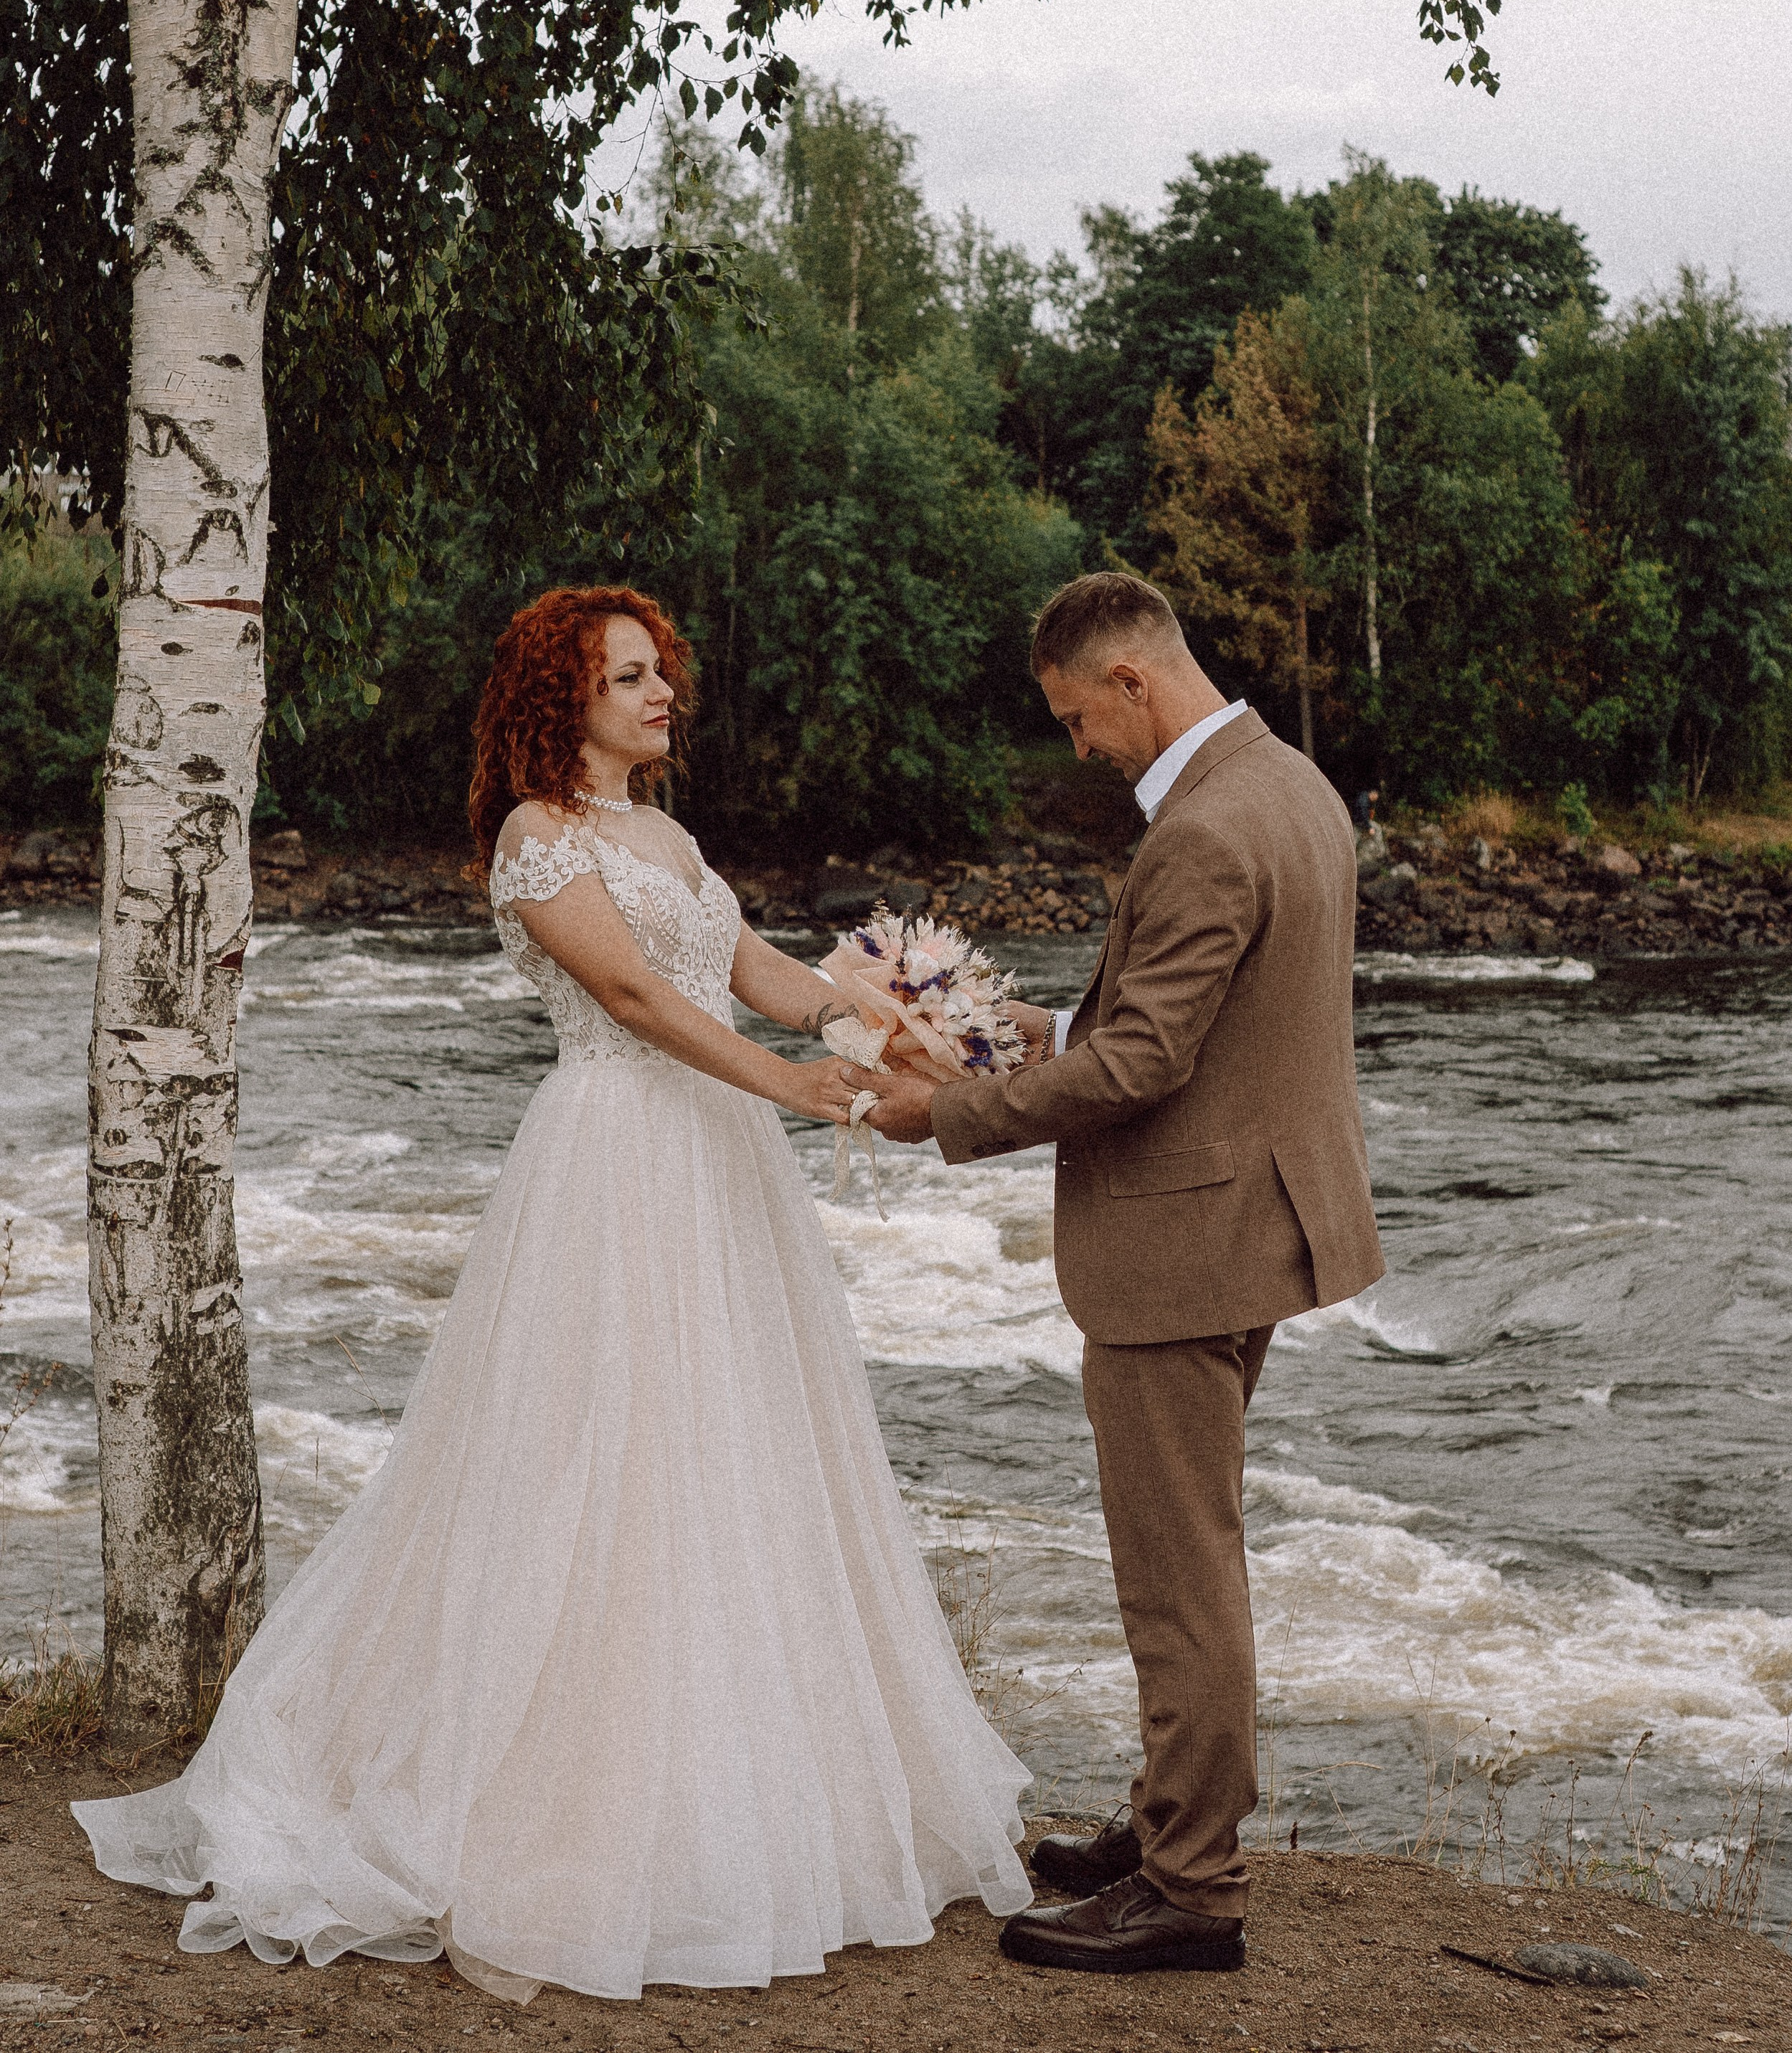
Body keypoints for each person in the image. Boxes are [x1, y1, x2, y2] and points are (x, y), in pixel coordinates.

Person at [75, 585, 1032, 2003]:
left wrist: (880, 1023)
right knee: (595, 1456)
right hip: (616, 1157)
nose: (661, 694)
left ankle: (752, 1794)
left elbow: (745, 963)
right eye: (629, 676)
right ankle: (551, 1799)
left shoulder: (670, 833)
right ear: (561, 699)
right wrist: (791, 1083)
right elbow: (640, 999)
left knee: (734, 1451)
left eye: (661, 673)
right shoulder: (539, 837)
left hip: (717, 1167)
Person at [866, 571, 1384, 1979]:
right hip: (1256, 1221)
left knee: (1179, 1576)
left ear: (1130, 682)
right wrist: (995, 1026)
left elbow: (1146, 1061)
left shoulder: (1206, 827)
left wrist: (949, 1111)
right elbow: (1164, 1022)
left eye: (1073, 715)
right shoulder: (1292, 786)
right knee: (1192, 1551)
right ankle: (1168, 1826)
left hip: (1184, 1242)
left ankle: (1191, 1889)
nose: (1076, 744)